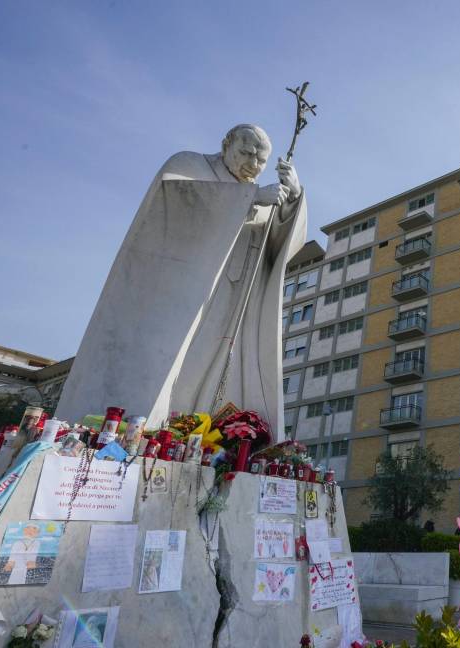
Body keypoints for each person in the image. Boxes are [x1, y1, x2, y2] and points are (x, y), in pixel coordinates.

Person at [56, 124, 307, 439]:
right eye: (245, 152)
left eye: (260, 160)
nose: (252, 164)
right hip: (180, 298)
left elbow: (277, 247)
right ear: (226, 143)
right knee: (172, 373)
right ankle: (149, 433)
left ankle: (189, 437)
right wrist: (249, 199)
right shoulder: (191, 165)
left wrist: (292, 198)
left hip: (232, 302)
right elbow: (170, 203)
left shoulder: (260, 191)